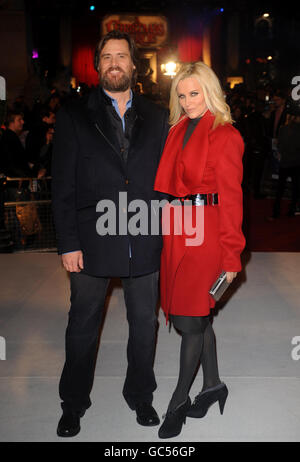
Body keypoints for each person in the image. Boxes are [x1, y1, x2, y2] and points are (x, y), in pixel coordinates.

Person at [51, 30, 169, 437]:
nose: (115, 62)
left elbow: (170, 181)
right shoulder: (72, 115)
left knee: (144, 325)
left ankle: (141, 395)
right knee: (82, 326)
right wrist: (67, 242)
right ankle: (73, 403)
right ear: (97, 65)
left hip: (144, 234)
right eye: (107, 57)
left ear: (135, 65)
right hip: (91, 239)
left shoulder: (158, 116)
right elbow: (62, 185)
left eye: (122, 56)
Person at [154, 62, 245, 439]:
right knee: (195, 315)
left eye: (194, 93)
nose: (188, 101)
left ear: (209, 92)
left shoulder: (226, 135)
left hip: (207, 234)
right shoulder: (177, 130)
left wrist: (231, 255)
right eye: (181, 94)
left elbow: (232, 201)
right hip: (178, 230)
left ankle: (178, 400)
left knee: (190, 320)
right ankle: (213, 386)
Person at [269, 104, 300, 219]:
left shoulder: (283, 129)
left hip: (285, 162)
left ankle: (276, 211)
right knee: (295, 189)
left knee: (280, 189)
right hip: (296, 163)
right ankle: (292, 210)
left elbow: (279, 146)